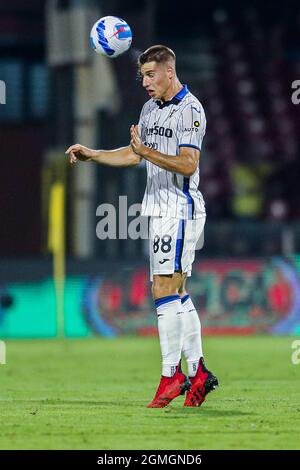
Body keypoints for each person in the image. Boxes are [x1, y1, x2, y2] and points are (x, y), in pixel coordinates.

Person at [66, 45, 218, 408]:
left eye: (151, 74)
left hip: (179, 209)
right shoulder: (150, 109)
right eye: (142, 76)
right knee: (177, 292)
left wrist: (146, 151)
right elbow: (135, 152)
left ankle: (171, 376)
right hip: (159, 209)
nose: (145, 82)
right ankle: (198, 373)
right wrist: (95, 154)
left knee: (162, 288)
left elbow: (187, 165)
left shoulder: (190, 110)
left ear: (169, 70)